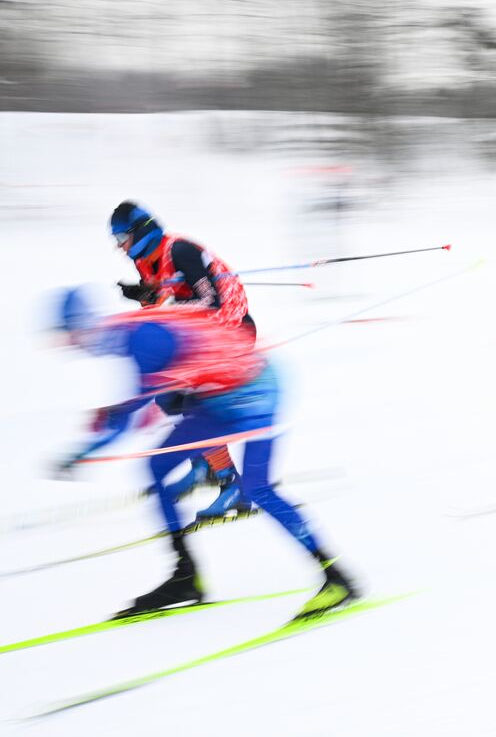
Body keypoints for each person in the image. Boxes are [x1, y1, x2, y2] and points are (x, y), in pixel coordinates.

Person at [54, 287, 357, 621]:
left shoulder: (141, 340)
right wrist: (120, 413)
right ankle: (186, 576)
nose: (70, 345)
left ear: (82, 326)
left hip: (255, 392)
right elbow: (147, 400)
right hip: (217, 397)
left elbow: (130, 418)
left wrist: (83, 451)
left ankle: (335, 576)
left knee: (258, 488)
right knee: (156, 466)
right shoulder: (124, 331)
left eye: (69, 336)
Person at [102, 201, 252, 519]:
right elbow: (163, 305)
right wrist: (145, 296)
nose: (120, 248)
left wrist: (164, 302)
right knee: (169, 397)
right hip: (196, 336)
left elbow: (210, 302)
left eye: (122, 238)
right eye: (116, 241)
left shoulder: (180, 250)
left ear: (140, 232)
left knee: (193, 402)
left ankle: (231, 485)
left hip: (230, 330)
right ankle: (205, 467)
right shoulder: (144, 260)